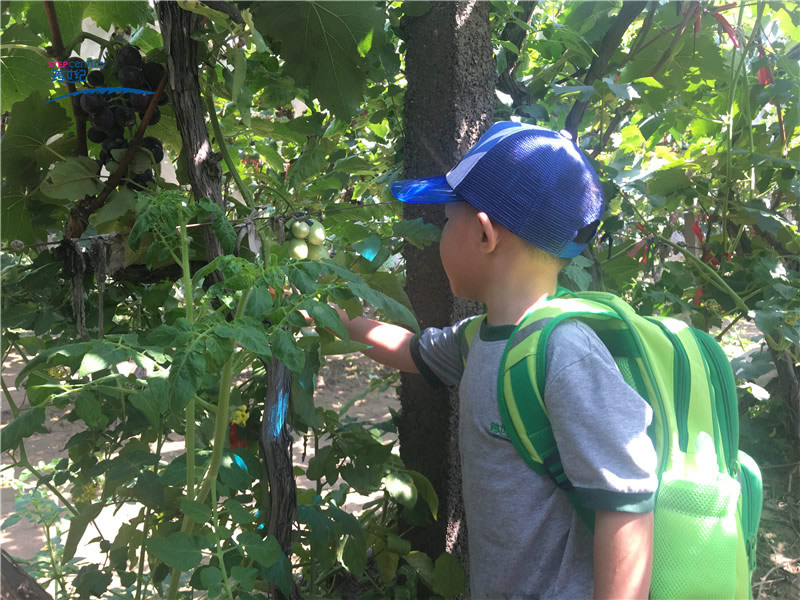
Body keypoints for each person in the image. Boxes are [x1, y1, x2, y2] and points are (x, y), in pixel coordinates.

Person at [328, 122, 657, 599]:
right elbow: (410, 349)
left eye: (445, 219)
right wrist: (331, 318)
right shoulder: (481, 339)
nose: (440, 234)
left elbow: (626, 509)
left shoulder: (564, 354)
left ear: (484, 234)